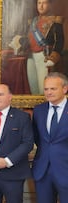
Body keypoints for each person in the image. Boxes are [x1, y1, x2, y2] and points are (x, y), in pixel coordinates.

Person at [32, 72, 68, 203]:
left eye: (53, 88)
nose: (48, 92)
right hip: (43, 171)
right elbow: (37, 137)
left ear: (64, 89)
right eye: (46, 89)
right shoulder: (38, 110)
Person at [27, 0, 64, 94]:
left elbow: (59, 41)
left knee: (43, 89)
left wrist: (53, 57)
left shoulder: (55, 20)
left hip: (44, 57)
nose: (41, 6)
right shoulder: (32, 22)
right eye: (39, 3)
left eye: (44, 3)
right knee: (33, 88)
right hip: (31, 57)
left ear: (50, 4)